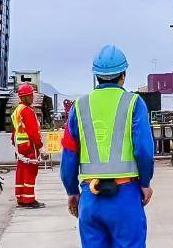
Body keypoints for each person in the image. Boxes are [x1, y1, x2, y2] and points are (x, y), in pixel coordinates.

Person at [61, 44, 155, 248]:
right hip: (126, 195)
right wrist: (145, 183)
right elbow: (144, 150)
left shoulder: (79, 106)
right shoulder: (134, 103)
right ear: (123, 75)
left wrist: (71, 191)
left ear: (96, 76)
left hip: (90, 198)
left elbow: (68, 154)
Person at [12, 82, 45, 208]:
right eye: (31, 95)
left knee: (21, 172)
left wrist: (15, 144)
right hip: (29, 146)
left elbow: (14, 130)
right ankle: (29, 200)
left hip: (20, 146)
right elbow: (33, 132)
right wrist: (40, 147)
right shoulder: (27, 111)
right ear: (25, 97)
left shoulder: (17, 110)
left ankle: (20, 197)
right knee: (31, 172)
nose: (33, 98)